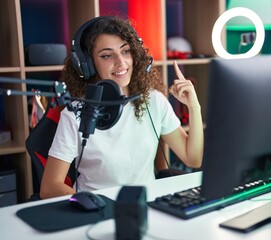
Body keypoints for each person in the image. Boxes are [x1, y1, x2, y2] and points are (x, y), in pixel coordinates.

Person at [40, 16, 204, 199]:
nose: (121, 62)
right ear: (88, 65)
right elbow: (50, 187)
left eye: (125, 51)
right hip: (99, 212)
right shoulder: (76, 113)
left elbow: (193, 158)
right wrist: (95, 205)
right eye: (107, 55)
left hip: (146, 206)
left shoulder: (154, 101)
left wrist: (194, 106)